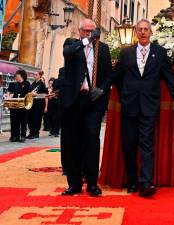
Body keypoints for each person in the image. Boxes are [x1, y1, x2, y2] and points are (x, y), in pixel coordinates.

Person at [103, 19, 174, 197]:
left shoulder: (160, 53)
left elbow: (168, 78)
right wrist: (103, 89)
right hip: (129, 106)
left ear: (151, 32)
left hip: (149, 106)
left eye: (146, 29)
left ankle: (146, 183)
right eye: (140, 29)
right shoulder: (126, 53)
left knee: (147, 145)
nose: (143, 32)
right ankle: (132, 181)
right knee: (129, 145)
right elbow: (115, 75)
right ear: (135, 32)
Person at [60, 19, 112, 196]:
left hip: (93, 102)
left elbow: (108, 75)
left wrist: (102, 89)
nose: (90, 34)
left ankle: (92, 183)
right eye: (86, 31)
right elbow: (67, 53)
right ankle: (74, 183)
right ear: (80, 30)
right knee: (73, 142)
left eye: (92, 31)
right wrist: (86, 41)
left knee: (92, 140)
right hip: (74, 101)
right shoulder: (72, 44)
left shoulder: (102, 49)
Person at [7, 69, 31, 142]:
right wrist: (8, 96)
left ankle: (22, 136)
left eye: (17, 75)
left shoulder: (27, 84)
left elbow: (29, 94)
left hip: (23, 106)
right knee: (14, 121)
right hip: (14, 106)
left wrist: (31, 94)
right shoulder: (13, 84)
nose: (16, 77)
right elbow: (9, 93)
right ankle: (14, 136)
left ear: (21, 76)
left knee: (23, 121)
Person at [26, 70, 47, 139]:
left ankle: (35, 133)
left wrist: (36, 94)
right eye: (34, 74)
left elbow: (45, 95)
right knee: (30, 118)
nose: (34, 76)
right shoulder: (33, 83)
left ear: (40, 76)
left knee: (36, 119)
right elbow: (29, 92)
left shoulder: (42, 84)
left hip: (38, 105)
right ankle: (31, 132)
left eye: (36, 74)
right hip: (32, 103)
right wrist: (29, 93)